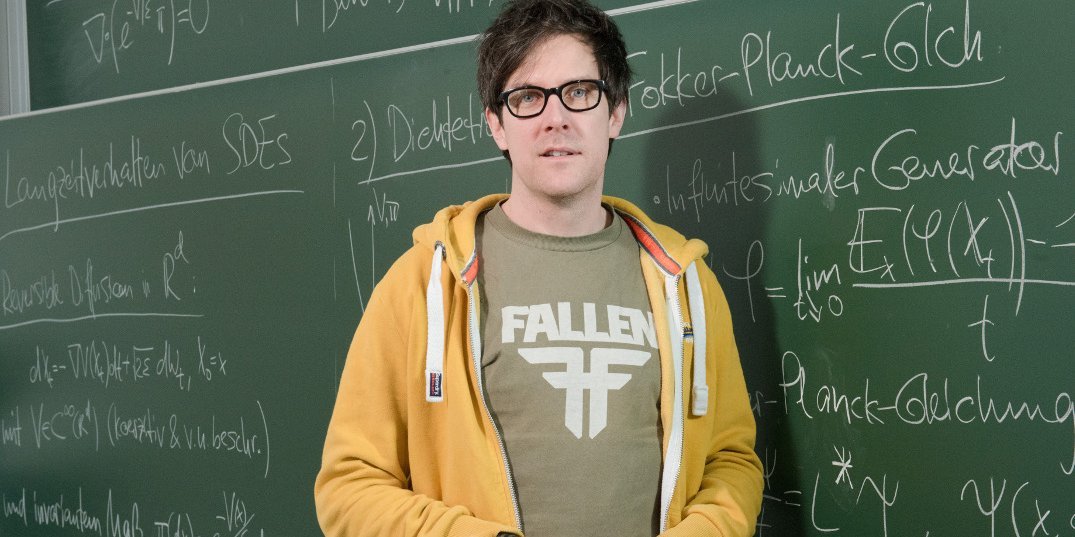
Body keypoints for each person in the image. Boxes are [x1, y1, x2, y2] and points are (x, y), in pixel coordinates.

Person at [313, 0, 763, 535]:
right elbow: (350, 485)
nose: (556, 118)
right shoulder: (421, 284)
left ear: (615, 110)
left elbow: (730, 460)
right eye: (528, 98)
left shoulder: (685, 284)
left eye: (579, 92)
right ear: (497, 125)